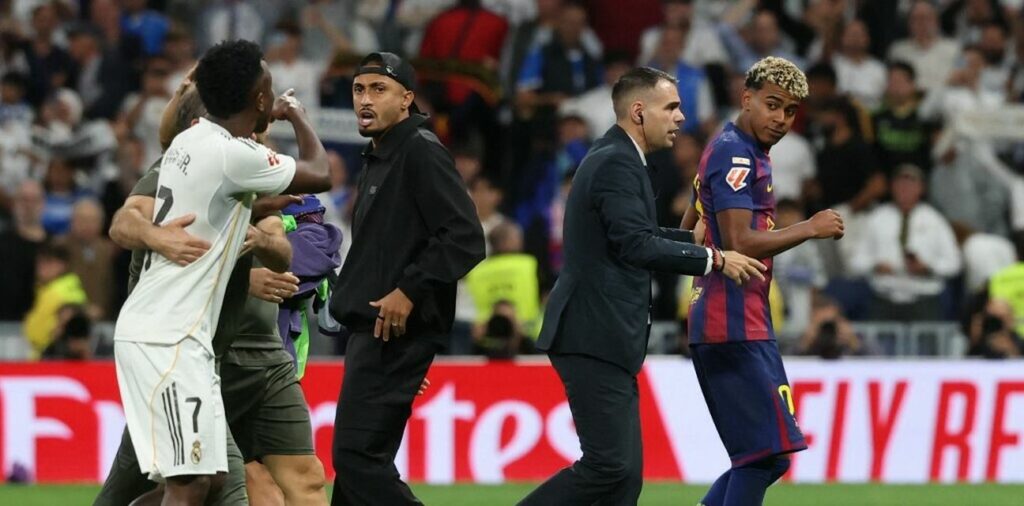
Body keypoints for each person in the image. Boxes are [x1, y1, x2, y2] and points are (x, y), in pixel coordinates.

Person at [519, 67, 766, 506]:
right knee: (609, 468)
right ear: (638, 111)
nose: (680, 117)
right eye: (671, 107)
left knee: (624, 477)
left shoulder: (617, 157)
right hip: (592, 333)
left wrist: (690, 239)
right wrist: (715, 258)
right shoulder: (616, 162)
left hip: (602, 334)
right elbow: (635, 245)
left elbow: (632, 234)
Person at [109, 39, 330, 505]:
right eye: (269, 87)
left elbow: (221, 203)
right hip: (166, 338)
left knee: (201, 483)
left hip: (185, 340)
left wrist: (257, 213)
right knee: (189, 486)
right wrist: (298, 115)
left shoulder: (190, 143)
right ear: (261, 99)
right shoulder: (235, 155)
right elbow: (321, 172)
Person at [682, 56, 844, 506]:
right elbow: (738, 240)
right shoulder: (735, 152)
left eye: (790, 111)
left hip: (743, 321)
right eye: (772, 105)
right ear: (746, 97)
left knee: (765, 456)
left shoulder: (736, 148)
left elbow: (691, 226)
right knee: (763, 456)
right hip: (729, 323)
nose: (781, 119)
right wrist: (809, 227)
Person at [328, 52, 485, 505]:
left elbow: (465, 237)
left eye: (379, 89)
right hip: (375, 332)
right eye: (359, 89)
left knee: (357, 459)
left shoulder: (419, 150)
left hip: (390, 329)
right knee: (359, 470)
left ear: (407, 100)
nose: (365, 99)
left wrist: (408, 292)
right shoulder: (382, 154)